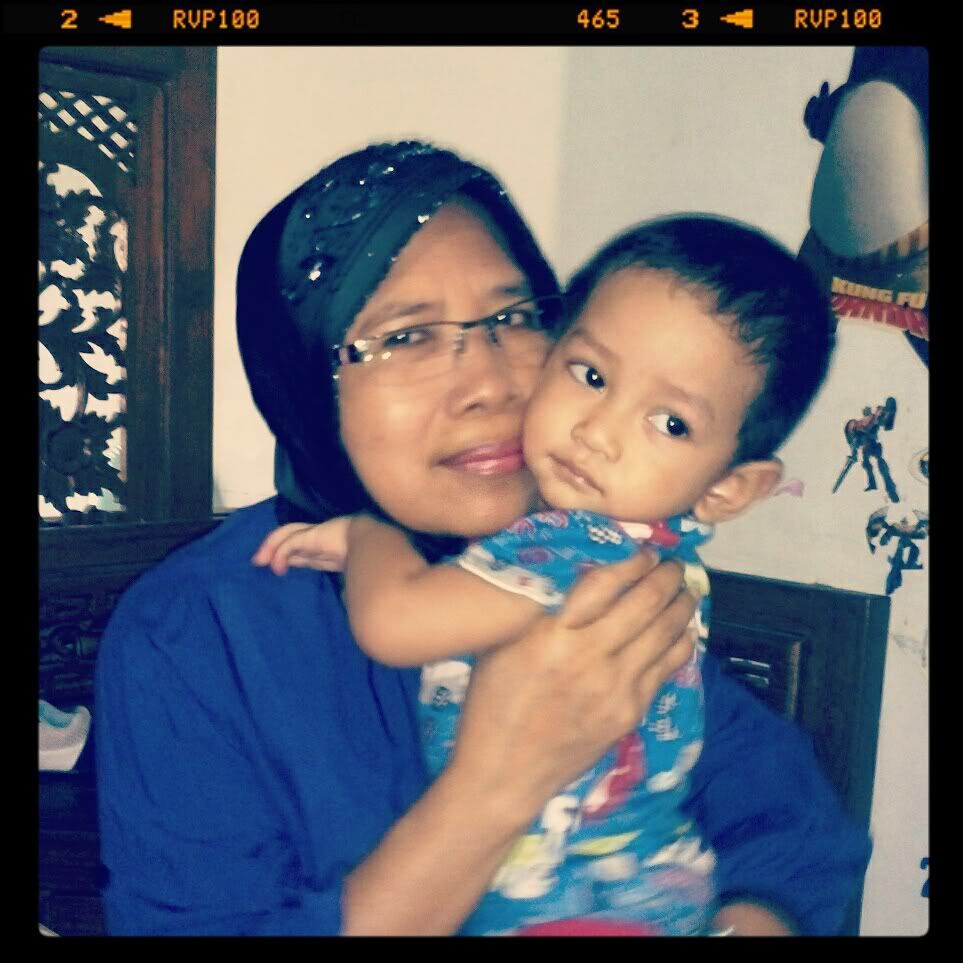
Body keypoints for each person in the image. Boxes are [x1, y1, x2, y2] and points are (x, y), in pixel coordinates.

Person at [94, 141, 871, 936]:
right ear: (300, 375)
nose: (490, 385)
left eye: (512, 318)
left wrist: (749, 918)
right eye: (405, 337)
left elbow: (788, 822)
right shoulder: (194, 633)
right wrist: (495, 784)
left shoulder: (599, 560)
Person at [252, 215, 834, 935]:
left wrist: (368, 538)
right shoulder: (659, 553)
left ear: (728, 488)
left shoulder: (574, 549)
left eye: (670, 423)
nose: (598, 432)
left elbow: (395, 621)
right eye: (591, 376)